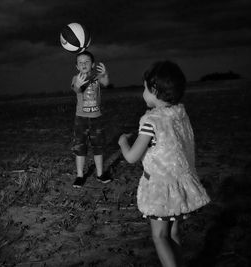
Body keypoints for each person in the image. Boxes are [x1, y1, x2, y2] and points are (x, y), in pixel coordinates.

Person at [118, 61, 210, 267]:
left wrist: (123, 143)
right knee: (174, 232)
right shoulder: (180, 116)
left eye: (144, 88)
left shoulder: (151, 122)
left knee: (160, 236)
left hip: (161, 189)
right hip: (179, 185)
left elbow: (132, 157)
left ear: (155, 90)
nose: (143, 93)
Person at [71, 50, 111, 188]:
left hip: (96, 118)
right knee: (80, 147)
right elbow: (76, 89)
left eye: (86, 61)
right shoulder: (76, 78)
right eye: (80, 62)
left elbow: (106, 83)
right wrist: (78, 84)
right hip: (81, 119)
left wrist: (104, 74)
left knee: (98, 147)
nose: (83, 64)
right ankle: (80, 175)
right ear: (77, 66)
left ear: (92, 64)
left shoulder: (97, 77)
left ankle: (100, 174)